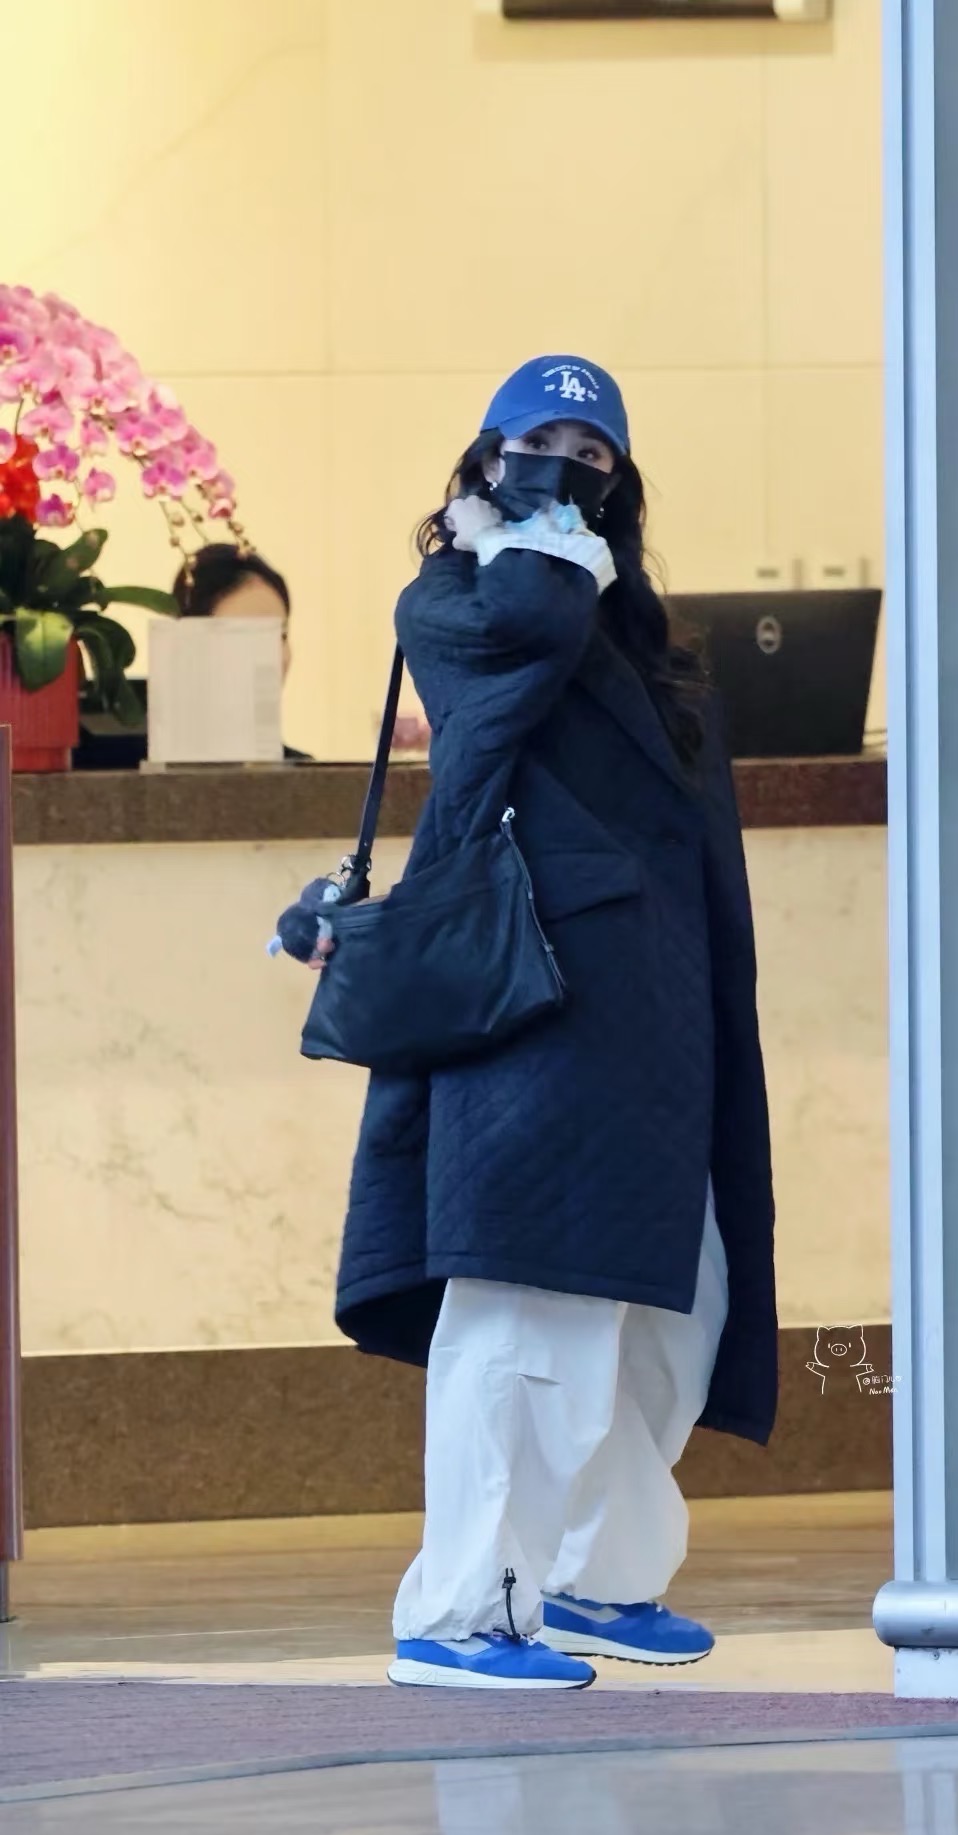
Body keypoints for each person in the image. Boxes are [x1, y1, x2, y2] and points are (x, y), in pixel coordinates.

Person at [277, 356, 777, 1690]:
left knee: (676, 1312)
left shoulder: (633, 625)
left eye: (592, 456)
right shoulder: (456, 597)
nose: (564, 471)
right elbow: (517, 654)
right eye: (536, 445)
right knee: (529, 1312)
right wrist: (543, 540)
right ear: (483, 461)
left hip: (659, 1014)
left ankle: (599, 1577)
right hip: (531, 1006)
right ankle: (461, 1612)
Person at [174, 543, 310, 760]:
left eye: (281, 636)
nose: (272, 657)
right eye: (247, 636)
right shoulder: (137, 770)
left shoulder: (305, 773)